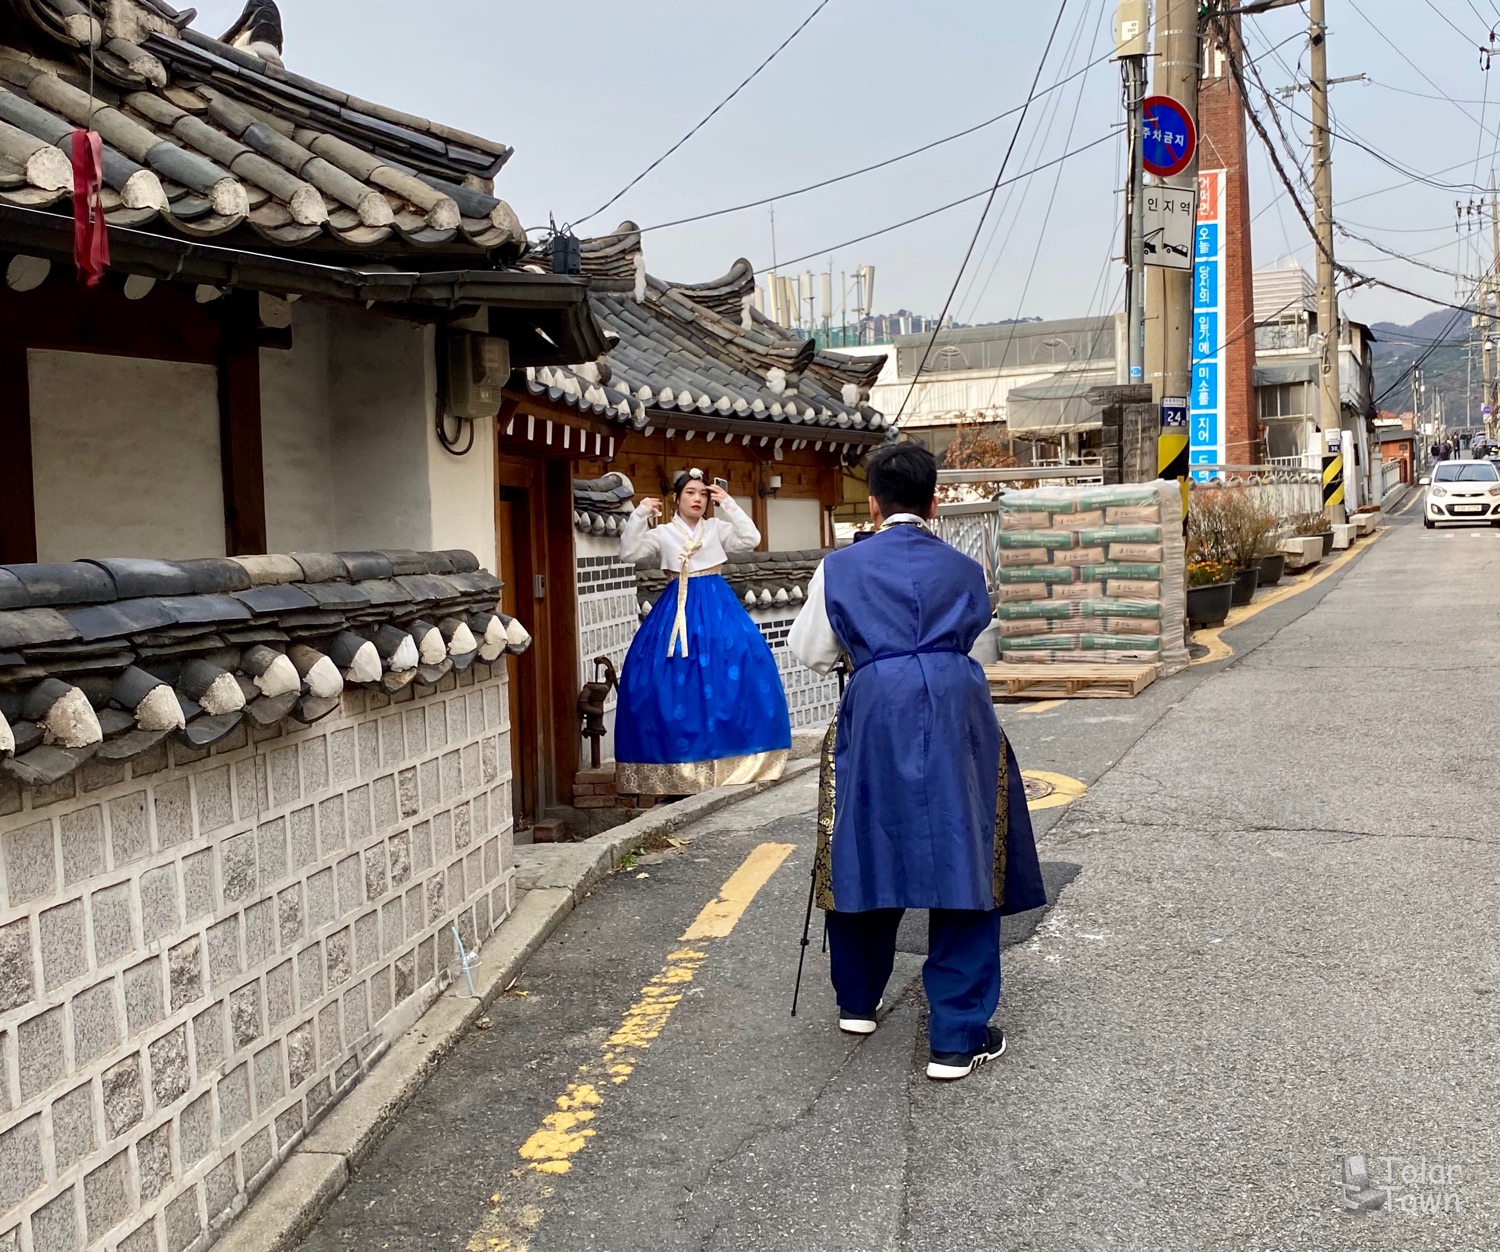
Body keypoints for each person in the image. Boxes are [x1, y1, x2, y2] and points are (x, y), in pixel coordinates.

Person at [788, 443, 1046, 1082]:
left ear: (873, 504)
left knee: (865, 836)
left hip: (876, 703)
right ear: (935, 502)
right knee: (963, 845)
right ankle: (956, 1036)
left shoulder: (838, 568)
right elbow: (980, 635)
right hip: (958, 707)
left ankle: (858, 999)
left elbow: (810, 650)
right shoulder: (965, 566)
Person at [615, 469, 791, 795]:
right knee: (667, 676)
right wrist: (639, 515)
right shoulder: (665, 532)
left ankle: (740, 757)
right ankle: (677, 765)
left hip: (717, 604)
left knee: (737, 666)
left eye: (703, 494)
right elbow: (629, 553)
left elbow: (751, 539)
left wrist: (730, 505)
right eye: (690, 493)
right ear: (676, 499)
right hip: (677, 606)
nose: (697, 499)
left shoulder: (716, 528)